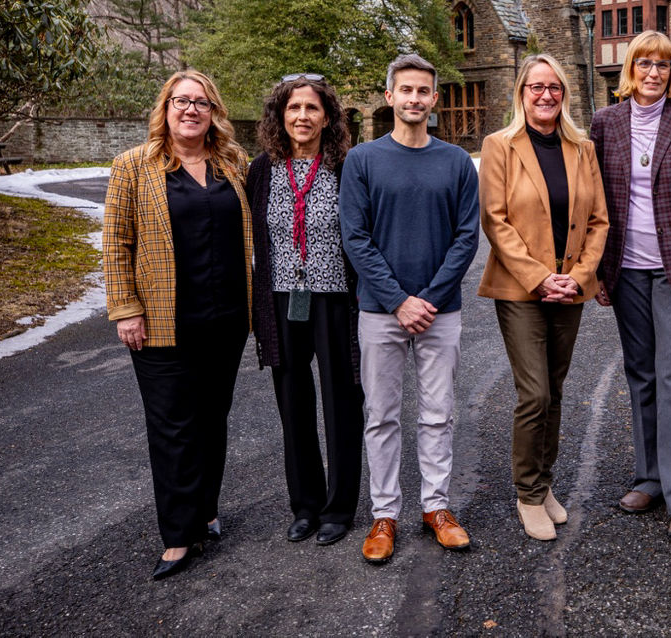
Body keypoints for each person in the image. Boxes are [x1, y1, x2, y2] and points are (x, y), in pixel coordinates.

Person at [103, 70, 252, 580]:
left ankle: (206, 510)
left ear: (214, 112)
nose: (190, 110)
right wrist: (125, 308)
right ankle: (177, 534)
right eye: (181, 100)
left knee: (213, 417)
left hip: (227, 317)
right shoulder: (133, 167)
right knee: (172, 426)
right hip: (162, 321)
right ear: (165, 108)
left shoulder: (233, 163)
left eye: (201, 102)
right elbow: (116, 243)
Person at [340, 53, 480, 564]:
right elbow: (355, 238)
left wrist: (430, 299)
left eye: (424, 91)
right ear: (389, 96)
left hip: (441, 312)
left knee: (438, 413)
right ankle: (385, 513)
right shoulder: (363, 160)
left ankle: (436, 507)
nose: (414, 99)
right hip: (381, 310)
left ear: (434, 98)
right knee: (381, 414)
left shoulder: (456, 162)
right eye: (406, 91)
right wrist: (399, 300)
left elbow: (467, 238)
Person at [589, 30, 671, 544]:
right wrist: (601, 271)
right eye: (643, 64)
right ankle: (650, 479)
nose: (653, 73)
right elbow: (595, 202)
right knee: (641, 373)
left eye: (662, 65)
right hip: (626, 270)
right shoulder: (605, 123)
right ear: (629, 69)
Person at [478, 55, 609, 541]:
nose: (546, 95)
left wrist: (579, 275)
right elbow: (495, 220)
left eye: (554, 87)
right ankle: (527, 494)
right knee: (533, 393)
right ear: (522, 93)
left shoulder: (582, 148)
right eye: (537, 87)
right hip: (521, 289)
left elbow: (599, 220)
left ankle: (545, 484)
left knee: (554, 392)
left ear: (564, 94)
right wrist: (539, 278)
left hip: (570, 287)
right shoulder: (500, 146)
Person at [248, 74, 363, 548]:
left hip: (335, 298)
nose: (301, 116)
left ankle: (338, 507)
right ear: (279, 116)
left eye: (311, 108)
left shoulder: (346, 167)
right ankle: (305, 505)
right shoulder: (261, 170)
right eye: (293, 108)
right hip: (281, 300)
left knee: (341, 401)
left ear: (327, 117)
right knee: (292, 402)